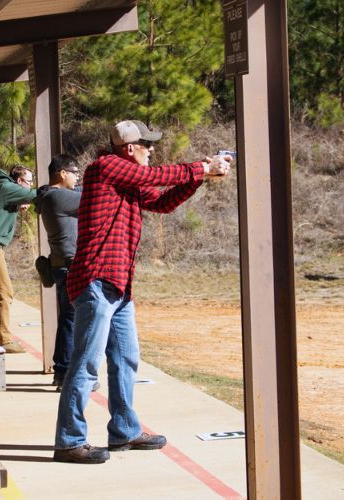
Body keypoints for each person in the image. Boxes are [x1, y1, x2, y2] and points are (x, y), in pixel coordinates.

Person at [53, 120, 231, 464]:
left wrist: (200, 177)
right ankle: (69, 440)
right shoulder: (105, 167)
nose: (152, 149)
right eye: (146, 144)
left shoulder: (126, 179)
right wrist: (201, 166)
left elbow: (163, 202)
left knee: (125, 359)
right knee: (86, 365)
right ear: (128, 148)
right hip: (96, 280)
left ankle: (124, 430)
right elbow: (154, 178)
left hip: (118, 283)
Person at [33, 154, 83, 391]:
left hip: (62, 264)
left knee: (68, 319)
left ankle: (63, 372)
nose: (77, 177)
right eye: (74, 172)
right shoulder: (58, 196)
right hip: (70, 265)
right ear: (62, 172)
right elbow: (93, 198)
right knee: (71, 321)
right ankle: (64, 372)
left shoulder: (49, 195)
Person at [0, 165, 37, 353]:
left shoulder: (4, 189)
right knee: (5, 293)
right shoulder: (6, 189)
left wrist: (17, 204)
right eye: (29, 182)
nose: (31, 185)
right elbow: (37, 195)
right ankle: (3, 339)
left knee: (2, 293)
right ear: (19, 182)